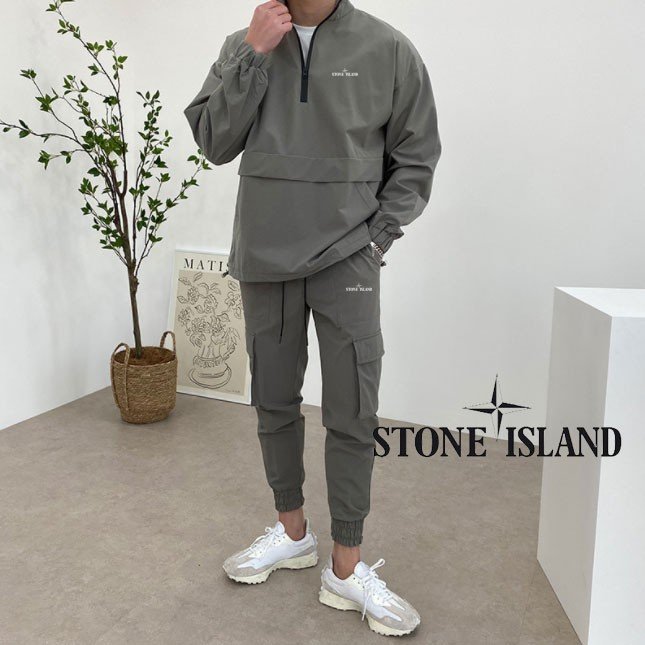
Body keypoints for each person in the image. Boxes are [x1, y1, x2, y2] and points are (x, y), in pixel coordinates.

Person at [185, 0, 441, 636]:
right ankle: (292, 531)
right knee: (273, 399)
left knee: (352, 407)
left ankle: (346, 566)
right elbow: (214, 143)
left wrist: (378, 238)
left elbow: (416, 154)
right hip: (265, 253)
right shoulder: (243, 42)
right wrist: (253, 53)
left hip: (349, 256)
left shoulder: (387, 47)